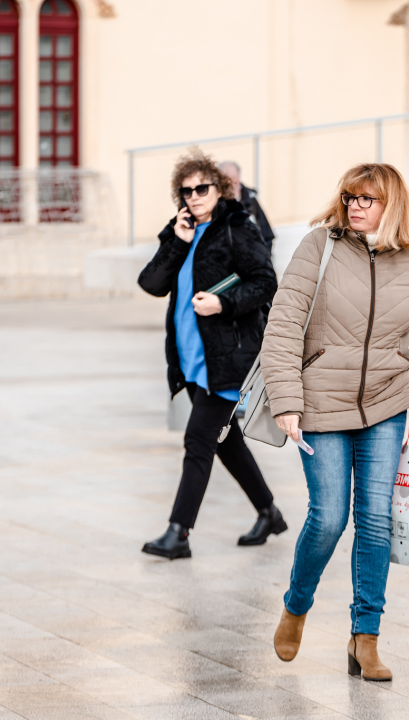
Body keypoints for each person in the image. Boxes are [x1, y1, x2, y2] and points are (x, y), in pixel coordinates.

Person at [260, 163, 409, 681]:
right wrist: (286, 399)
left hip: (387, 405)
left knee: (373, 522)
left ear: (389, 204)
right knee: (327, 518)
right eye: (349, 196)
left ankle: (365, 638)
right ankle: (296, 606)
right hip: (321, 403)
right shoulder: (318, 247)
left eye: (366, 199)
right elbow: (282, 326)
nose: (354, 206)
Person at [137, 148, 284, 559]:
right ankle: (269, 512)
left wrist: (223, 304)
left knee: (198, 438)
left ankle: (178, 533)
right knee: (226, 441)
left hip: (228, 358)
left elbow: (264, 283)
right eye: (186, 191)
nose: (194, 196)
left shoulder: (238, 227)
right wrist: (177, 243)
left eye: (202, 188)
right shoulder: (181, 230)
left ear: (218, 189)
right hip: (190, 360)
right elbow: (151, 283)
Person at [218, 160, 275, 250]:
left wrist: (264, 258)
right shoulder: (217, 203)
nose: (220, 184)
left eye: (223, 179)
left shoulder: (251, 199)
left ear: (235, 179)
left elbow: (267, 234)